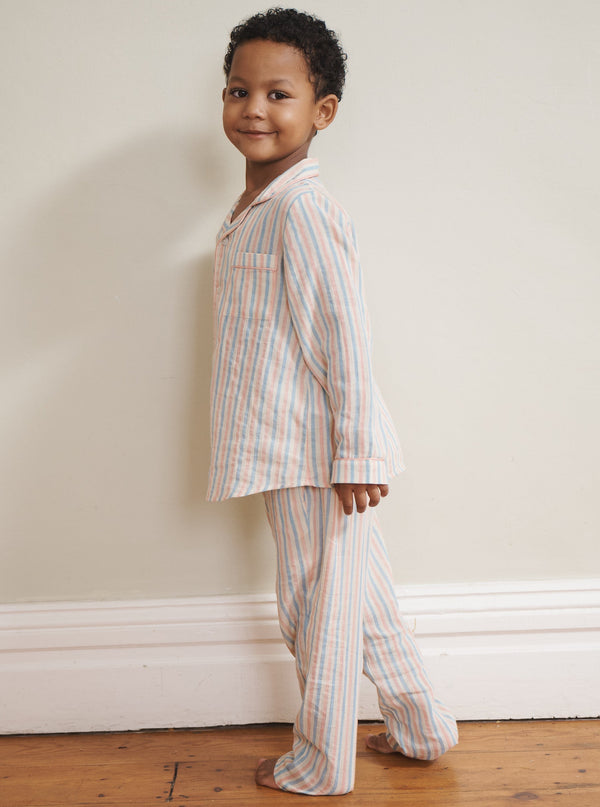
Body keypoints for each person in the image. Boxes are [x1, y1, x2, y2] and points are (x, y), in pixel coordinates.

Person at [206, 7, 459, 796]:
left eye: (278, 94)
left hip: (317, 450)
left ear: (322, 113)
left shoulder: (305, 210)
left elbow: (344, 336)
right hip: (289, 443)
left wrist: (355, 451)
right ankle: (424, 730)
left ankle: (321, 762)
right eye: (238, 90)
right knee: (360, 597)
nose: (254, 108)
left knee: (315, 608)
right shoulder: (255, 210)